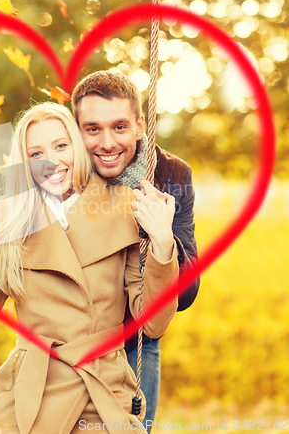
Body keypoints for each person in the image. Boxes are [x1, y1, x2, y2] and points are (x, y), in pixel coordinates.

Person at [0, 102, 179, 433]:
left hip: (103, 391)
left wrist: (162, 243)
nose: (52, 162)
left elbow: (153, 324)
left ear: (77, 147)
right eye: (36, 154)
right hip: (31, 392)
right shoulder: (8, 220)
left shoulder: (126, 205)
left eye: (61, 146)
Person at [70, 70, 199, 432]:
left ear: (140, 126)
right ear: (75, 129)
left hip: (133, 345)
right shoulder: (59, 170)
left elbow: (186, 293)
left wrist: (159, 240)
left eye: (120, 127)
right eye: (92, 129)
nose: (107, 143)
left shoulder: (170, 174)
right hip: (67, 346)